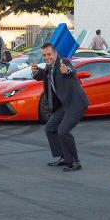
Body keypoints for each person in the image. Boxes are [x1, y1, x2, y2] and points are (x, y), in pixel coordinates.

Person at [31, 43, 90, 172]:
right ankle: (64, 157)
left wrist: (67, 70)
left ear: (55, 53)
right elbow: (43, 75)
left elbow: (70, 71)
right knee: (50, 128)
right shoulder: (49, 67)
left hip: (76, 103)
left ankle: (74, 161)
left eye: (49, 54)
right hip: (64, 105)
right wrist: (36, 72)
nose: (47, 57)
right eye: (44, 55)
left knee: (63, 131)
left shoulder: (64, 63)